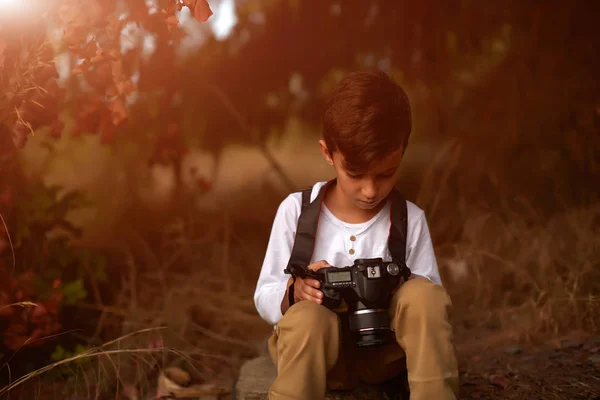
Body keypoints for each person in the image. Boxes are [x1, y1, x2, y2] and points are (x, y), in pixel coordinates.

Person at [253, 69, 459, 400]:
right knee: (306, 318)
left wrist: (399, 287)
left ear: (402, 151)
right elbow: (264, 295)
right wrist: (295, 293)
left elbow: (430, 307)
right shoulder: (297, 211)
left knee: (425, 295)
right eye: (355, 174)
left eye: (385, 174)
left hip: (386, 359)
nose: (370, 190)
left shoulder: (409, 219)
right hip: (317, 357)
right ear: (327, 153)